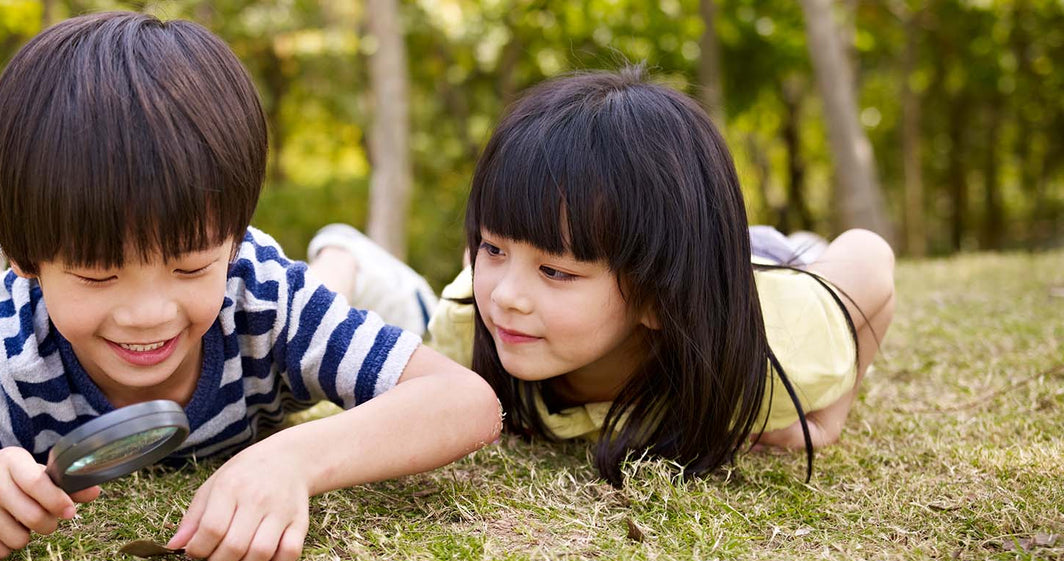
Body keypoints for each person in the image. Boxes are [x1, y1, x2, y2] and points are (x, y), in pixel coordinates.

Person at [0, 11, 500, 561]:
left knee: (334, 292)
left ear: (232, 242)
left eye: (190, 266)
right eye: (99, 275)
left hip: (280, 286)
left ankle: (341, 257)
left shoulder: (259, 293)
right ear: (32, 264)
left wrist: (294, 460)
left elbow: (466, 401)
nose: (147, 313)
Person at [307, 68, 895, 485]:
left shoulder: (781, 343)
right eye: (492, 247)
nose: (507, 298)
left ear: (659, 296)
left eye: (556, 271)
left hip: (762, 260)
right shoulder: (467, 328)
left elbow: (869, 259)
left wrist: (824, 420)